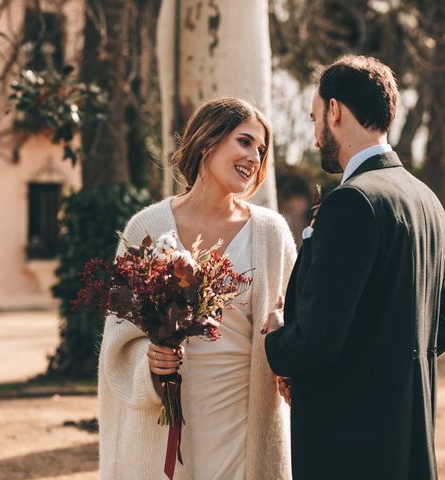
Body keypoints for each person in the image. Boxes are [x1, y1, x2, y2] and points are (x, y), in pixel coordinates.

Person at [265, 55, 445, 480]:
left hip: (350, 446)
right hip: (410, 441)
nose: (315, 135)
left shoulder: (351, 202)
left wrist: (277, 339)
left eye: (314, 117)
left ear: (334, 110)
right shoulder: (427, 201)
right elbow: (438, 331)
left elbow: (317, 340)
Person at [98, 97, 296, 479]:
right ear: (208, 141)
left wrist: (284, 329)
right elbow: (119, 337)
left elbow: (295, 319)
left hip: (245, 414)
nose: (255, 157)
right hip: (168, 412)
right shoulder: (146, 227)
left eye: (261, 149)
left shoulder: (271, 233)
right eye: (244, 141)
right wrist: (150, 362)